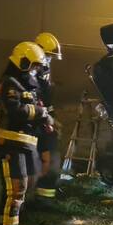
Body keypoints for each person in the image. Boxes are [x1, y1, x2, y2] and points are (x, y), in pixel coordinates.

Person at [0, 41, 52, 225]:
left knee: (22, 186)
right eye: (33, 65)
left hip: (25, 141)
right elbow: (15, 110)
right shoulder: (9, 83)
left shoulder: (28, 84)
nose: (35, 70)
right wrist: (40, 113)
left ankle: (6, 223)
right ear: (23, 62)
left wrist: (45, 119)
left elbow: (36, 106)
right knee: (16, 187)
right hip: (9, 141)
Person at [33, 31, 63, 203]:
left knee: (50, 157)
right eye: (48, 56)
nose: (49, 60)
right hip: (37, 123)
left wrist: (53, 118)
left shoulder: (43, 70)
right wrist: (47, 120)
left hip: (45, 120)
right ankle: (43, 197)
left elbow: (46, 98)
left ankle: (46, 194)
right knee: (47, 158)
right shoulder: (32, 72)